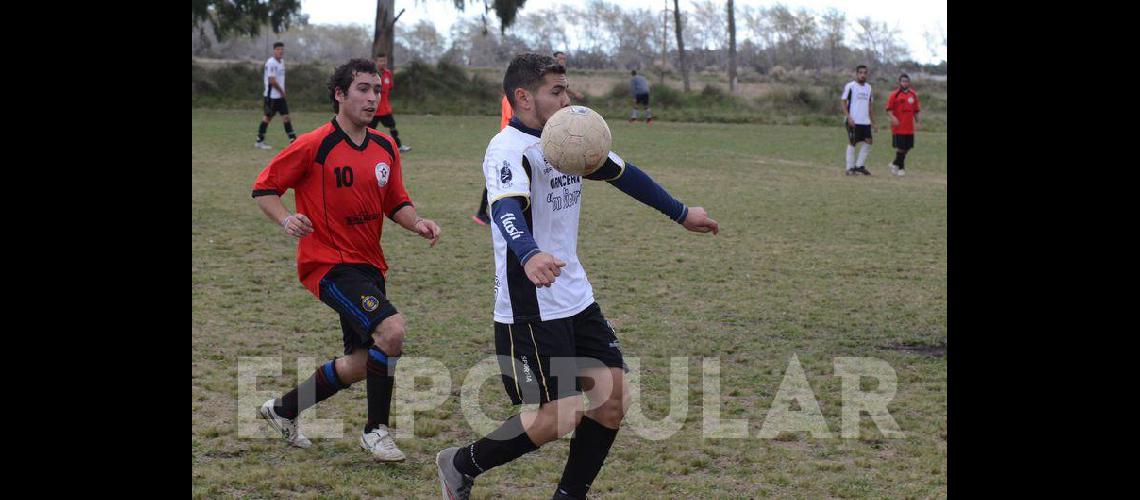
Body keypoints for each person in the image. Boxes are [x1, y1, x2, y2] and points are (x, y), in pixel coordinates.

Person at [435, 53, 719, 500]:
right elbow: (504, 208)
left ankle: (570, 495)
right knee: (558, 416)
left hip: (575, 295)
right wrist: (528, 254)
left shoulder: (572, 137)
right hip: (529, 302)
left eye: (566, 88)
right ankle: (460, 463)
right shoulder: (508, 149)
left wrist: (681, 213)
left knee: (612, 399)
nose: (567, 98)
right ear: (524, 97)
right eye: (556, 91)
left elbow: (624, 174)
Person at [251, 58, 442, 462]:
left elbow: (396, 202)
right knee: (392, 332)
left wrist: (418, 222)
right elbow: (264, 188)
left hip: (369, 264)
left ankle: (283, 410)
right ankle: (375, 432)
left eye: (377, 90)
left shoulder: (385, 146)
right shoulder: (314, 143)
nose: (372, 98)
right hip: (327, 263)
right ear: (340, 94)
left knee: (360, 361)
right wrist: (287, 219)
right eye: (363, 89)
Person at [472, 94, 513, 226]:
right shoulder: (510, 98)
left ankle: (482, 212)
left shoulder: (510, 97)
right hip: (508, 144)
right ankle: (482, 212)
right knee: (497, 179)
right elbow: (514, 118)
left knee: (497, 179)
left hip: (509, 143)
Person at [255, 42, 297, 150]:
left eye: (282, 49)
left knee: (286, 117)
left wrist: (282, 93)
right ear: (274, 51)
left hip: (280, 97)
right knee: (267, 118)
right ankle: (259, 141)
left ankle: (293, 141)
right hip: (272, 97)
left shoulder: (281, 62)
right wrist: (282, 91)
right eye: (278, 49)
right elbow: (272, 81)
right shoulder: (271, 63)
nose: (280, 51)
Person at [368, 53, 412, 153]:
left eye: (384, 61)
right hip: (373, 108)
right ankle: (365, 147)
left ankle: (399, 146)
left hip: (385, 109)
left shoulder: (388, 73)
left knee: (392, 126)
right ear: (376, 62)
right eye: (380, 61)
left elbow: (390, 88)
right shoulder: (371, 74)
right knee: (368, 129)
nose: (383, 63)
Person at [885, 73, 921, 176]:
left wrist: (918, 122)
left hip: (909, 126)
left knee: (908, 147)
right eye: (903, 81)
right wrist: (893, 118)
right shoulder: (894, 95)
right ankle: (901, 168)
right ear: (900, 82)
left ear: (909, 82)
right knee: (901, 147)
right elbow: (888, 110)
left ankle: (894, 163)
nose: (905, 83)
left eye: (906, 81)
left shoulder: (913, 95)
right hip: (899, 126)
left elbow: (916, 110)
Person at [841, 65, 874, 175]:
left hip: (865, 121)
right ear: (856, 74)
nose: (862, 75)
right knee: (853, 142)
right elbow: (843, 102)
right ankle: (849, 168)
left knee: (869, 141)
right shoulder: (851, 86)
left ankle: (859, 165)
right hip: (853, 120)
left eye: (865, 73)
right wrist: (849, 117)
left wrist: (873, 122)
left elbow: (869, 106)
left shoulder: (869, 87)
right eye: (860, 72)